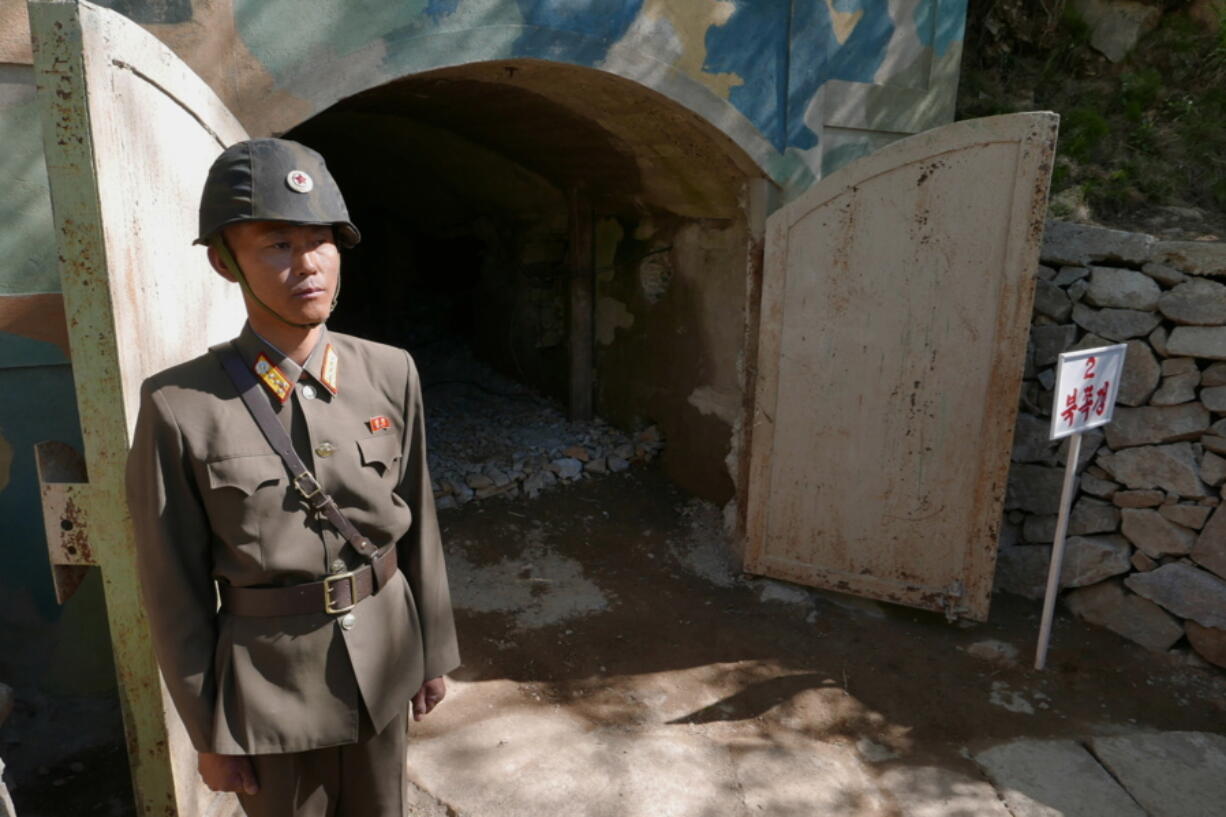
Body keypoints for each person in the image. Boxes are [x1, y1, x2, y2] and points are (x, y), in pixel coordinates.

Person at [126, 138, 460, 817]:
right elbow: (174, 592)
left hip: (383, 661)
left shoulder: (389, 372)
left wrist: (433, 649)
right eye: (276, 245)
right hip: (269, 690)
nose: (308, 266)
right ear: (226, 263)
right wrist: (206, 729)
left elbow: (418, 521)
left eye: (321, 242)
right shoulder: (179, 407)